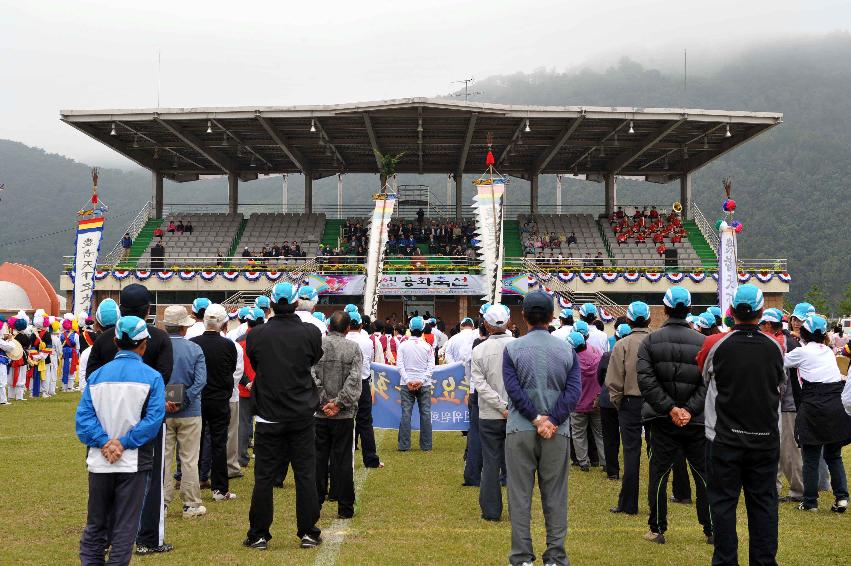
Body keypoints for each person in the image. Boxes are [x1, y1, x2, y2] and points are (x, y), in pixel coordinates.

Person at [697, 284, 785, 566]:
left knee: (722, 506)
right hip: (765, 440)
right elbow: (779, 385)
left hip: (724, 440)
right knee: (764, 506)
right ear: (761, 313)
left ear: (732, 311)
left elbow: (706, 379)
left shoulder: (716, 344)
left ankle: (725, 561)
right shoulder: (775, 346)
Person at [85, 284, 174, 556]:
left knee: (104, 483)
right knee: (149, 483)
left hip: (104, 425)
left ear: (120, 307)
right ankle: (148, 538)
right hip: (144, 424)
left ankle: (107, 535)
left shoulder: (103, 340)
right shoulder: (158, 338)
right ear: (148, 309)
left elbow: (91, 380)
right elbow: (164, 377)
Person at [502, 291, 581, 566]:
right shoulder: (567, 349)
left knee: (519, 496)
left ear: (523, 316)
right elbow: (573, 392)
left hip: (521, 430)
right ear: (551, 317)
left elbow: (513, 389)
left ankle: (522, 557)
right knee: (556, 495)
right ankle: (556, 556)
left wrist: (536, 418)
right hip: (556, 432)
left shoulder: (512, 349)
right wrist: (552, 421)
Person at [244, 282, 324, 551]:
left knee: (264, 477)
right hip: (301, 413)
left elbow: (257, 365)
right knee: (305, 474)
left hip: (269, 414)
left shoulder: (257, 335)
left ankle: (258, 534)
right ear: (294, 302)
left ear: (272, 303)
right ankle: (308, 532)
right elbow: (312, 360)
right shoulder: (310, 332)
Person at [636, 286, 712, 545]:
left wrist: (670, 409)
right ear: (690, 309)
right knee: (703, 473)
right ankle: (711, 528)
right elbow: (708, 383)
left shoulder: (650, 341)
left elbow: (646, 381)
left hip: (661, 419)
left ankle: (657, 529)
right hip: (695, 420)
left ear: (665, 309)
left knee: (659, 472)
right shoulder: (703, 342)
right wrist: (689, 410)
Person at [783, 314, 850, 512]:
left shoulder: (802, 352)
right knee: (833, 455)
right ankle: (842, 498)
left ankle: (810, 502)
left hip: (814, 403)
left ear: (804, 332)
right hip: (836, 403)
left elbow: (781, 361)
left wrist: (786, 336)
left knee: (811, 455)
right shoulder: (828, 351)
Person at [313, 311, 363, 519]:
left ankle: (314, 503)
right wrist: (340, 403)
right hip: (342, 414)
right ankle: (345, 507)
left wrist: (325, 401)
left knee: (318, 460)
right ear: (348, 328)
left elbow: (311, 375)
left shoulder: (318, 346)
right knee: (343, 460)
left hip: (321, 413)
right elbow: (355, 379)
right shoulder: (353, 348)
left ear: (329, 327)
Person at [161, 305, 208, 518]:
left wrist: (165, 400)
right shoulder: (194, 349)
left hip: (163, 411)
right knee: (189, 459)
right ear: (183, 327)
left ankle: (161, 502)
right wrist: (184, 400)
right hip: (190, 412)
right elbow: (200, 381)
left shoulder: (157, 348)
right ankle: (191, 503)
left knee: (164, 458)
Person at [605, 301, 652, 515]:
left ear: (629, 320)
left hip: (630, 403)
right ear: (649, 319)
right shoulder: (655, 340)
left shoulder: (622, 344)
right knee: (657, 454)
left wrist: (619, 402)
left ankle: (629, 504)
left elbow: (614, 381)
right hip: (655, 403)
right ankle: (655, 503)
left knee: (631, 453)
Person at [190, 304, 238, 502]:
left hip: (199, 398)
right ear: (223, 322)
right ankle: (219, 489)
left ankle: (193, 483)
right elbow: (231, 370)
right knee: (219, 443)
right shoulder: (228, 345)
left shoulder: (193, 343)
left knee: (194, 444)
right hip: (219, 399)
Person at [470, 304, 514, 521]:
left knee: (490, 462)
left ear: (485, 324)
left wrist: (499, 405)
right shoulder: (518, 346)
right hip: (516, 413)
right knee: (516, 463)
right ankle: (518, 510)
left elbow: (481, 385)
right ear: (508, 322)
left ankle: (491, 510)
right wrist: (508, 406)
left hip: (489, 414)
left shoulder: (479, 350)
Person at [345, 310, 384, 468]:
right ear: (361, 324)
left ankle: (343, 458)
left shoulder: (344, 339)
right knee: (365, 422)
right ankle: (370, 459)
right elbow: (372, 359)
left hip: (345, 385)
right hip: (362, 383)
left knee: (344, 422)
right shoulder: (368, 340)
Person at [445, 317, 481, 486]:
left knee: (474, 425)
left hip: (468, 381)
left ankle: (471, 460)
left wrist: (458, 369)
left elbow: (450, 355)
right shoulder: (475, 338)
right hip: (490, 389)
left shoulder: (455, 339)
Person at [396, 316, 435, 452]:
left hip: (407, 384)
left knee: (406, 413)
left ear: (410, 329)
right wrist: (422, 380)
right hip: (423, 384)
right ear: (423, 329)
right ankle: (426, 445)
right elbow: (431, 366)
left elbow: (399, 365)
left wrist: (407, 380)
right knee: (425, 413)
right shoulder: (427, 346)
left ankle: (404, 445)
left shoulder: (403, 345)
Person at [567, 331, 604, 472]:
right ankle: (604, 461)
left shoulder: (571, 361)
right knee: (600, 434)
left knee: (578, 434)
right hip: (596, 401)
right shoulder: (597, 355)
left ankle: (583, 462)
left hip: (577, 404)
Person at [597, 323, 630, 481]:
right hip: (627, 399)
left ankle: (612, 471)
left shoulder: (607, 356)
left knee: (610, 437)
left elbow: (601, 378)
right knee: (629, 438)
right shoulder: (636, 355)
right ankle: (629, 470)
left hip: (609, 399)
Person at [236, 308, 264, 468]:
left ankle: (241, 457)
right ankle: (261, 455)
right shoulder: (267, 339)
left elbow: (235, 366)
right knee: (263, 422)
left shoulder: (239, 340)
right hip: (263, 387)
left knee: (243, 424)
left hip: (243, 387)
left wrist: (247, 382)